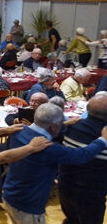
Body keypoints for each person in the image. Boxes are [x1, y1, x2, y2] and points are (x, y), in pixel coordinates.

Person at [3, 103, 107, 224]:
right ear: (53, 126)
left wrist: (65, 124)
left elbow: (46, 127)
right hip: (28, 205)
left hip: (9, 194)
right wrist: (103, 139)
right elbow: (82, 155)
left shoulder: (18, 132)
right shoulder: (47, 148)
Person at [58, 94, 107, 224]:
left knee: (72, 219)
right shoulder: (104, 136)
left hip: (65, 186)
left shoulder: (71, 127)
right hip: (91, 193)